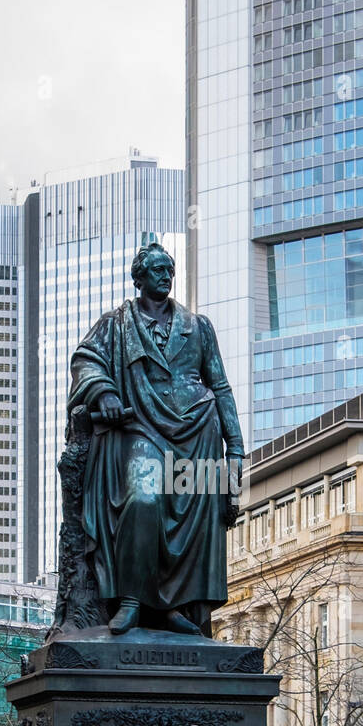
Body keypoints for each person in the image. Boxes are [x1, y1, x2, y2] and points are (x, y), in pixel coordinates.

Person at [66, 241, 244, 636]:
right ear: (138, 279)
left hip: (198, 432)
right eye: (157, 270)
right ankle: (132, 600)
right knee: (144, 500)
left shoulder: (197, 326)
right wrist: (105, 393)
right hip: (141, 428)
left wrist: (236, 451)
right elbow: (85, 361)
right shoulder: (115, 324)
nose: (166, 276)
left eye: (170, 269)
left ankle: (174, 607)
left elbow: (221, 386)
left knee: (194, 519)